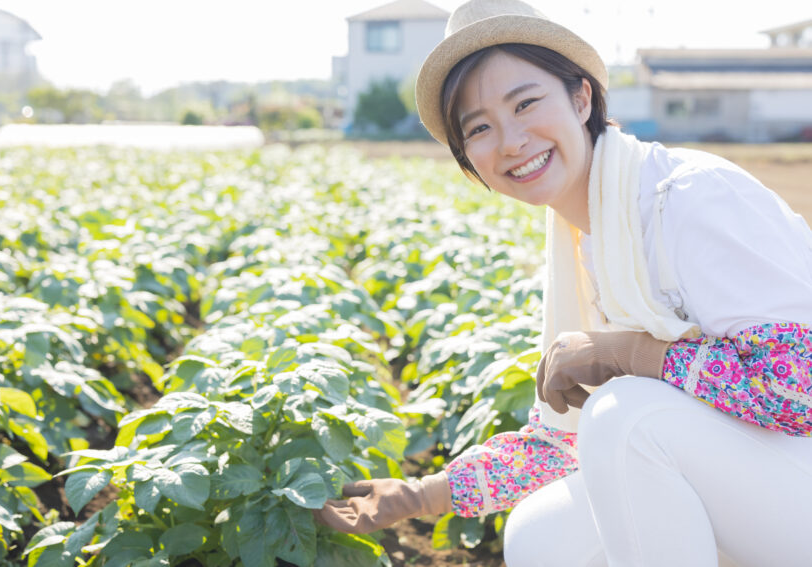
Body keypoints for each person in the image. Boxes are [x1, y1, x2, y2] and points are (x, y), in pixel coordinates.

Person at [315, 1, 812, 565]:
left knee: (627, 415)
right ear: (467, 159)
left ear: (581, 98)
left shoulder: (692, 197)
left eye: (525, 103)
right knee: (542, 534)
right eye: (478, 128)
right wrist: (415, 495)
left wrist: (632, 353)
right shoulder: (589, 240)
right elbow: (565, 445)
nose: (509, 141)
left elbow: (802, 385)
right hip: (763, 488)